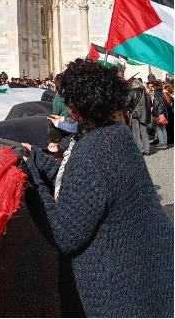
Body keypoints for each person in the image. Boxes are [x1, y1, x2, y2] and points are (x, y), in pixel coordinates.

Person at [21, 59, 174, 317]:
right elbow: (81, 186)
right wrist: (38, 159)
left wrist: (33, 185)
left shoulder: (94, 151)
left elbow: (65, 233)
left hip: (117, 287)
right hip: (145, 270)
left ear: (77, 108)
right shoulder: (114, 134)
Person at [126, 78, 151, 154]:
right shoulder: (145, 92)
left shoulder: (132, 91)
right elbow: (150, 104)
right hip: (144, 114)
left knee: (136, 132)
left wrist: (129, 110)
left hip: (135, 114)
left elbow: (126, 103)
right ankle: (147, 150)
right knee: (144, 132)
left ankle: (139, 149)